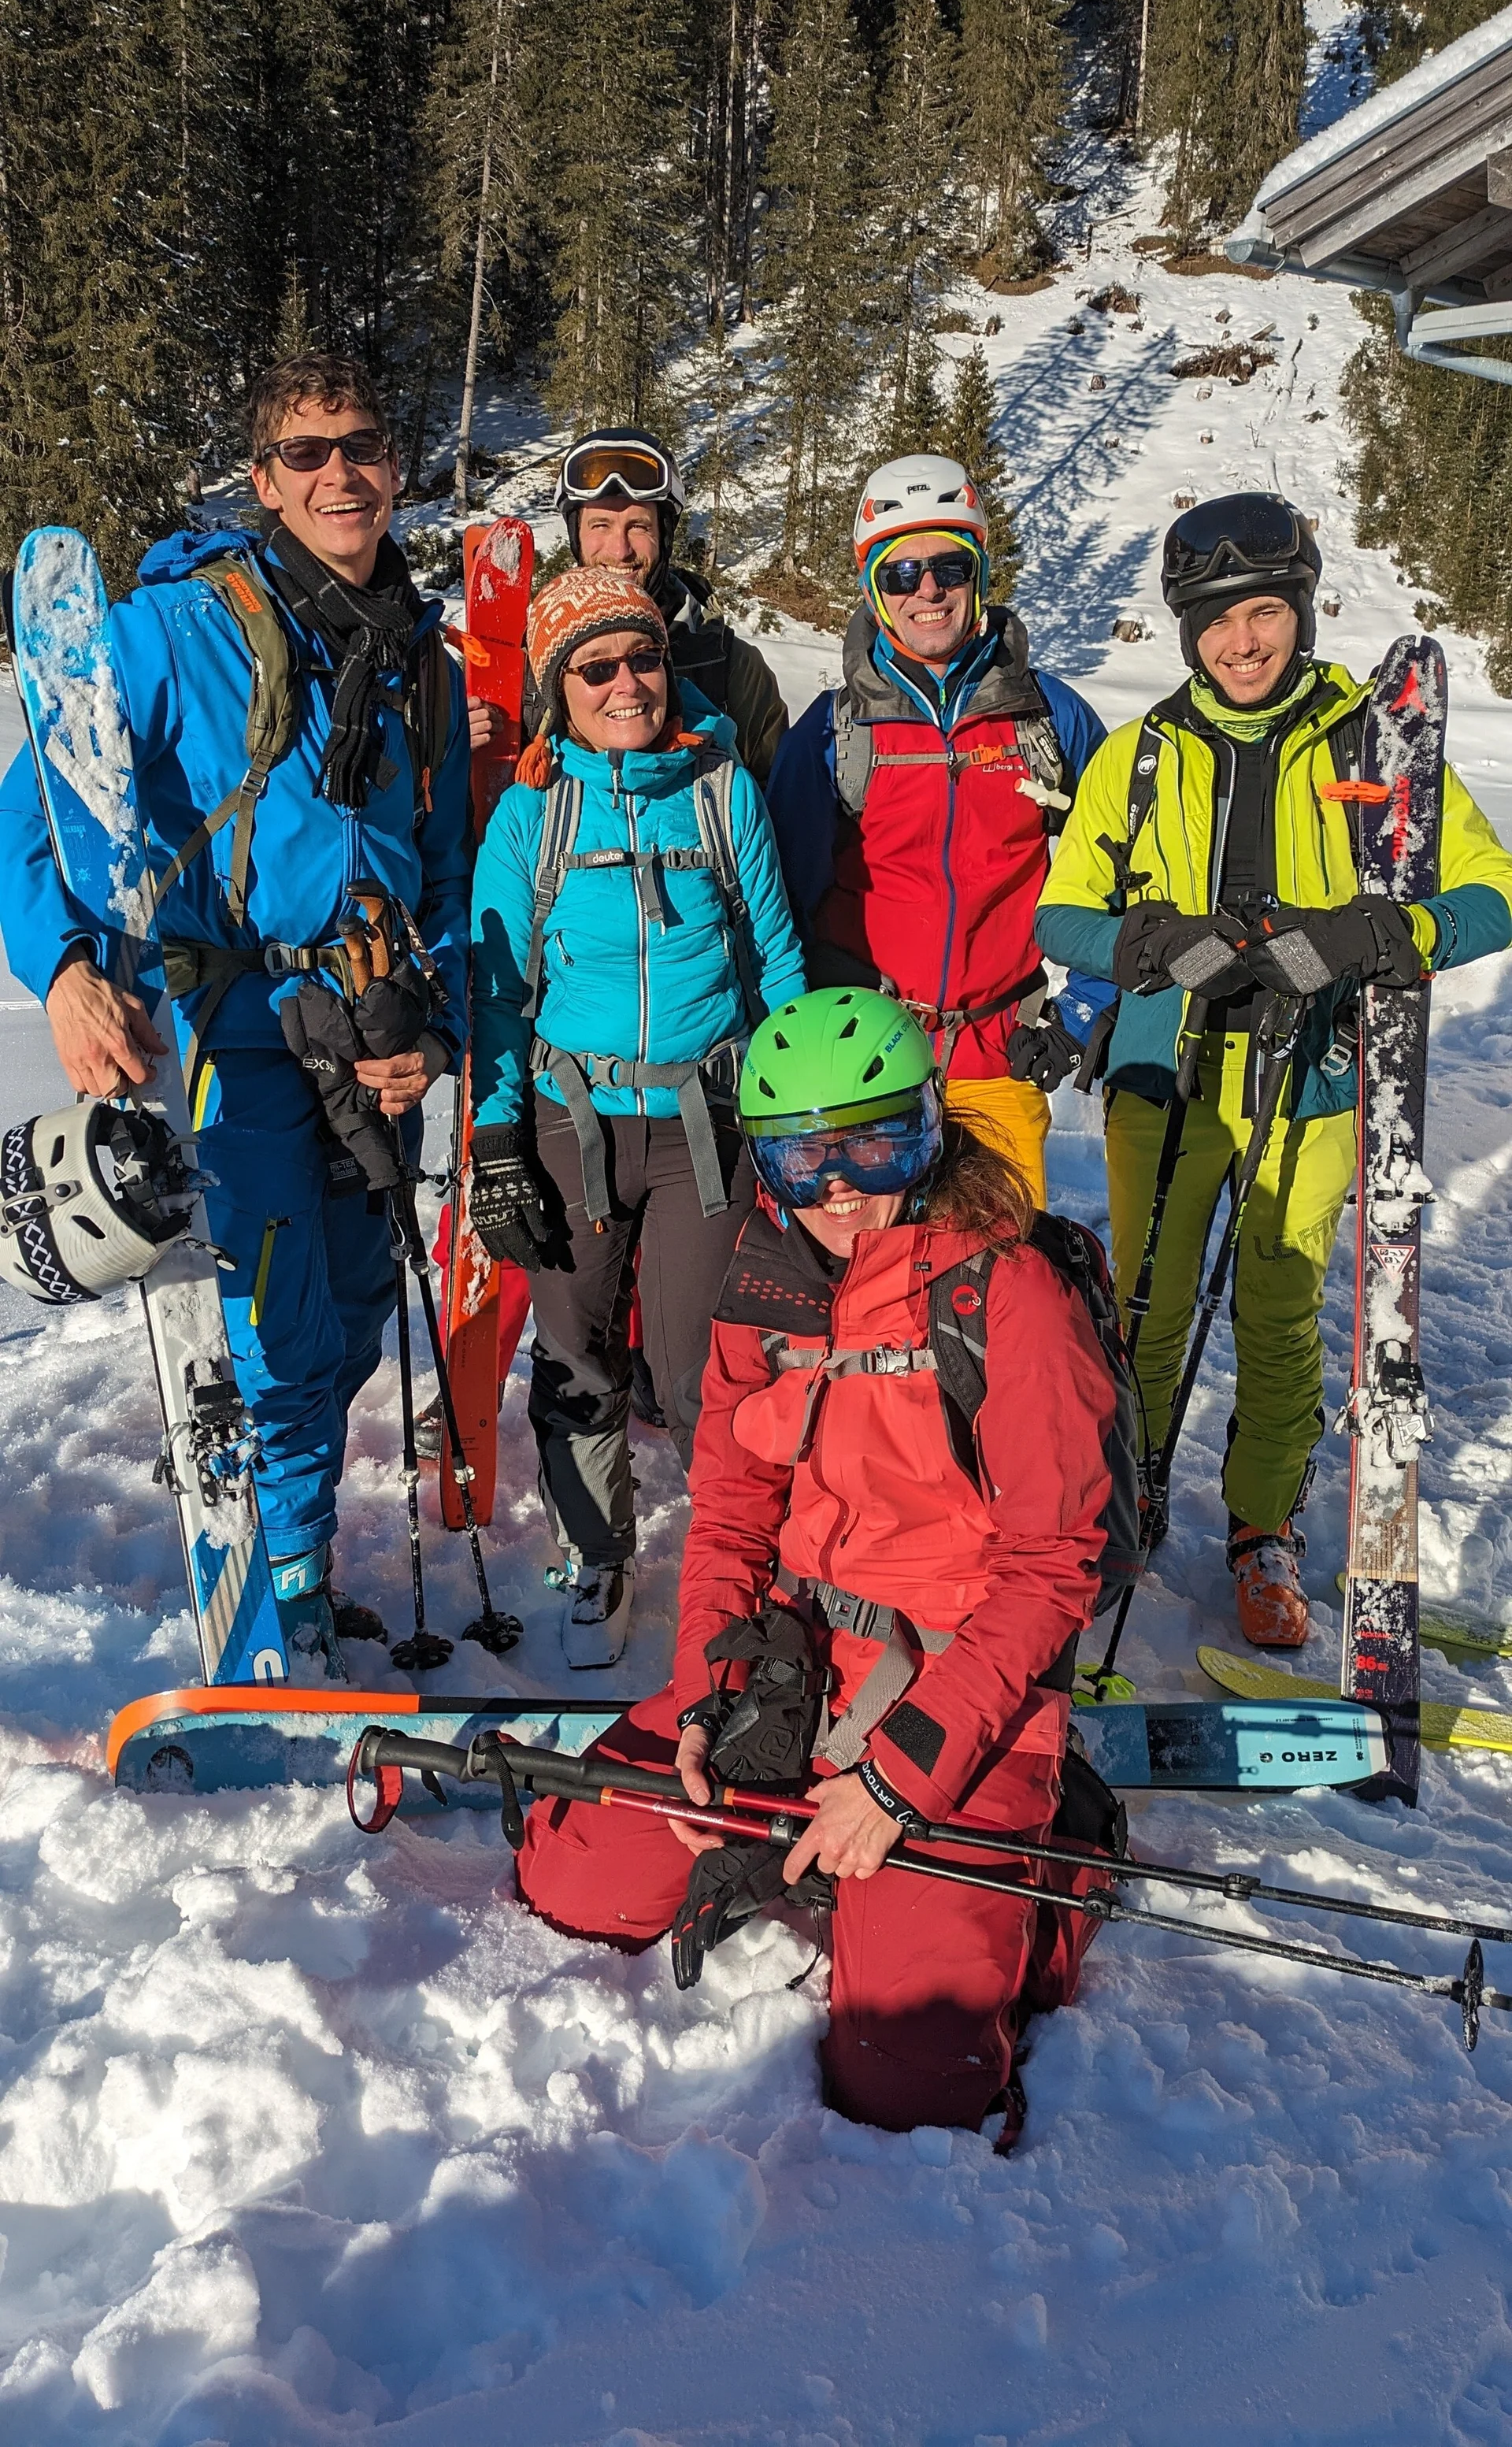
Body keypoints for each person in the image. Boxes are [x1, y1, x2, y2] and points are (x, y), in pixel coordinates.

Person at [514, 985, 1120, 2139]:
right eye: (801, 1161)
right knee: (574, 1879)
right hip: (795, 1669)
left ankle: (1057, 1865)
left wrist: (899, 1783)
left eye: (875, 1142)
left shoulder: (1012, 1289)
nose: (839, 1187)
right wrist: (706, 1698)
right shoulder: (767, 1279)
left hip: (956, 1694)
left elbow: (1051, 1568)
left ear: (933, 1125)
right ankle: (828, 1856)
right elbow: (735, 1510)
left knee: (911, 2073)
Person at [0, 352, 472, 1669]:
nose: (342, 473)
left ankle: (297, 1549)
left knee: (358, 1311)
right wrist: (72, 968)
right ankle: (281, 1609)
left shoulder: (421, 660)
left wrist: (434, 1035)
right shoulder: (175, 629)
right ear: (264, 480)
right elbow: (34, 812)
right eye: (308, 455)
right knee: (278, 1330)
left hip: (368, 1037)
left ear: (395, 465)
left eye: (363, 446)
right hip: (228, 1031)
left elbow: (446, 876)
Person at [1036, 491, 1512, 1646]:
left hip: (1313, 1076)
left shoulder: (1372, 740)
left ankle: (1262, 1531)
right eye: (1215, 620)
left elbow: (1490, 893)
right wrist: (1154, 942)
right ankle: (1128, 1492)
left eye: (1264, 612)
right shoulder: (1143, 754)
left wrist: (1373, 936)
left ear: (1299, 610)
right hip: (1169, 1067)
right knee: (1146, 1310)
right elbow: (1063, 917)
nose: (1242, 641)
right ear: (1184, 627)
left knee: (1280, 1306)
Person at [466, 562, 806, 1667]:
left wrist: (800, 1118)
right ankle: (596, 1550)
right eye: (596, 666)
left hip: (705, 1122)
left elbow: (776, 963)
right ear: (560, 687)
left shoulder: (721, 789)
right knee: (573, 1348)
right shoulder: (533, 812)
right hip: (576, 1117)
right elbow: (498, 989)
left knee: (706, 1356)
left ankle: (735, 1564)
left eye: (644, 657)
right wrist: (497, 1136)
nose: (627, 682)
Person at [763, 455, 1113, 1212]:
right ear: (873, 589)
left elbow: (1127, 866)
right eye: (902, 573)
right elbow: (775, 907)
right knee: (868, 1293)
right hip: (861, 1059)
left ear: (979, 575)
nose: (928, 590)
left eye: (950, 567)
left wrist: (1083, 1006)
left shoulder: (1046, 716)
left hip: (1000, 1051)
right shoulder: (833, 733)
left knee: (1004, 1288)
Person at [547, 428, 789, 784]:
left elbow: (778, 811)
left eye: (638, 527)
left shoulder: (731, 669)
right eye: (600, 525)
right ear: (575, 536)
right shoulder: (537, 663)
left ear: (664, 535)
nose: (620, 550)